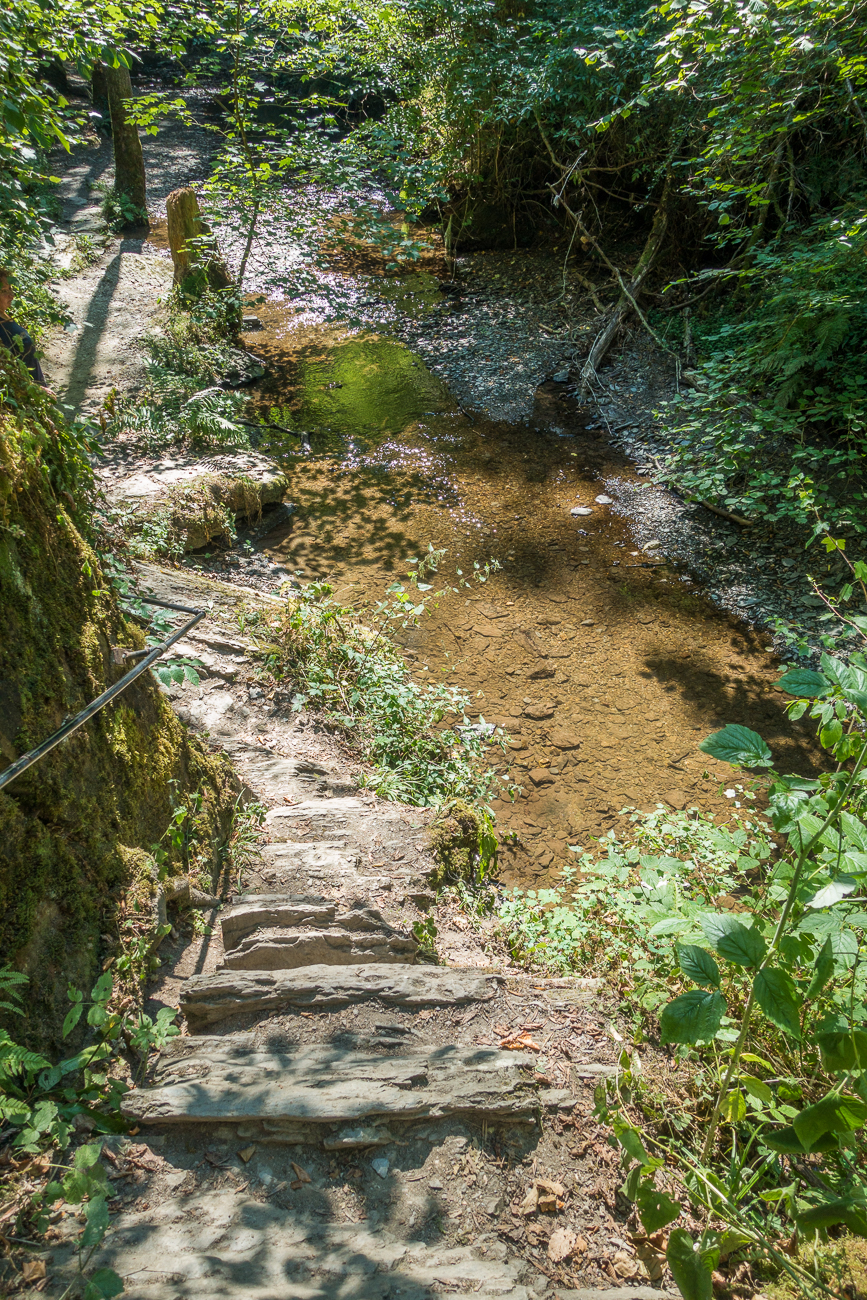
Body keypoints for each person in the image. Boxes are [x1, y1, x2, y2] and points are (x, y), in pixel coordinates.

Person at [0, 266, 47, 385]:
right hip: (23, 390)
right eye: (4, 291)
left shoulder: (4, 315)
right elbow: (6, 367)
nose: (11, 295)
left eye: (10, 289)